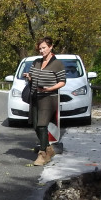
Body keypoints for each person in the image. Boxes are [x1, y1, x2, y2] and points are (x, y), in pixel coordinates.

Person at [24, 37, 66, 166]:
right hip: (35, 96)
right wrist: (29, 77)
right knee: (36, 125)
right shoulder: (36, 62)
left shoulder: (57, 63)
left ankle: (43, 155)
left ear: (51, 47)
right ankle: (48, 148)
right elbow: (32, 77)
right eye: (40, 48)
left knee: (42, 125)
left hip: (49, 97)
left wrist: (50, 88)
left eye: (44, 48)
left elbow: (62, 82)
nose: (41, 50)